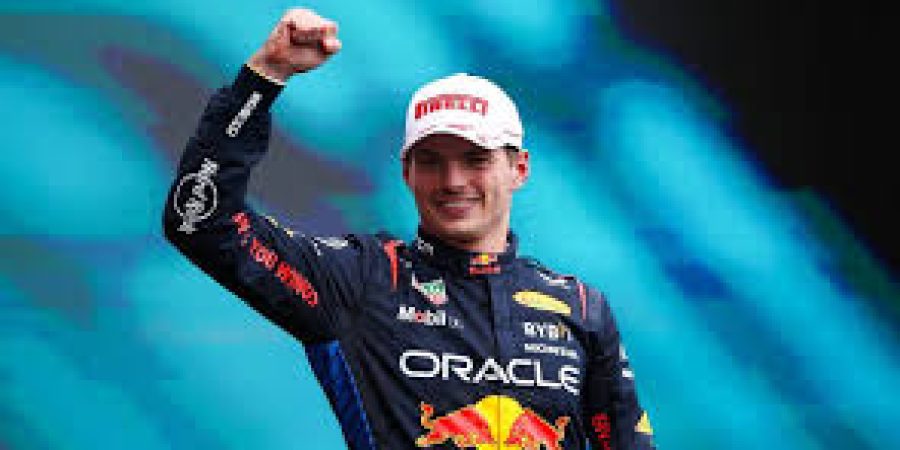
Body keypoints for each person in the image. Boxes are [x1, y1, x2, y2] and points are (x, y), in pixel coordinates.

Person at [163, 7, 655, 449]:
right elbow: (200, 221)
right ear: (406, 172)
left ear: (519, 169)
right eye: (432, 161)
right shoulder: (361, 279)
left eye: (475, 159)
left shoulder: (581, 307)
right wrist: (264, 77)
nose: (453, 181)